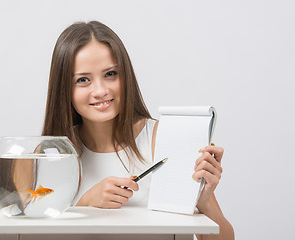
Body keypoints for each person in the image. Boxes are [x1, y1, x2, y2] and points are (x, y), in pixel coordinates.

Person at [42, 21, 234, 239]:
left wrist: (204, 200)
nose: (100, 90)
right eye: (83, 80)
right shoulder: (49, 154)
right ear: (64, 89)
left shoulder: (165, 139)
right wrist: (84, 205)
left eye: (111, 74)